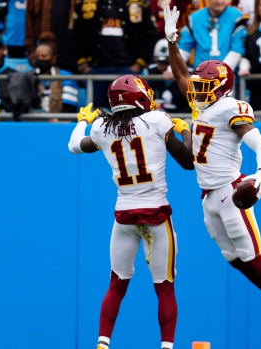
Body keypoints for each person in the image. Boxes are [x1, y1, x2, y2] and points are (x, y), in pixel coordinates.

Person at [165, 7, 261, 349]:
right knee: (236, 260)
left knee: (252, 256)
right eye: (198, 87)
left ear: (222, 88)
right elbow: (181, 74)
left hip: (231, 190)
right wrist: (171, 40)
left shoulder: (231, 109)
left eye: (204, 86)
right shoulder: (203, 105)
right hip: (207, 194)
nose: (196, 91)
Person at [67, 74, 194, 349]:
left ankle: (102, 343)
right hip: (156, 214)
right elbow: (188, 161)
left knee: (116, 283)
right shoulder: (158, 120)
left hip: (123, 215)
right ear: (140, 96)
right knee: (164, 286)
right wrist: (185, 129)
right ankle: (167, 346)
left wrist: (82, 121)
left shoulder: (101, 127)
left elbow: (74, 146)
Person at [68, 0, 159, 109]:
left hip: (128, 70)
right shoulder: (84, 2)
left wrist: (140, 63)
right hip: (95, 70)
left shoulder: (139, 3)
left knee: (129, 115)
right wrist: (83, 65)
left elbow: (151, 35)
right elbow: (73, 35)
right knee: (99, 118)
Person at [176, 0, 247, 71]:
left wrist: (222, 72)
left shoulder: (236, 17)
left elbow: (237, 49)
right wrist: (173, 69)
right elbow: (184, 48)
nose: (219, 1)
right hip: (200, 75)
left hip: (228, 76)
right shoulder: (194, 18)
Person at [32, 32, 79, 114]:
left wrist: (56, 120)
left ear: (54, 58)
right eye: (37, 56)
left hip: (59, 123)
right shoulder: (29, 77)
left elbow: (70, 108)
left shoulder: (66, 77)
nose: (40, 59)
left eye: (44, 56)